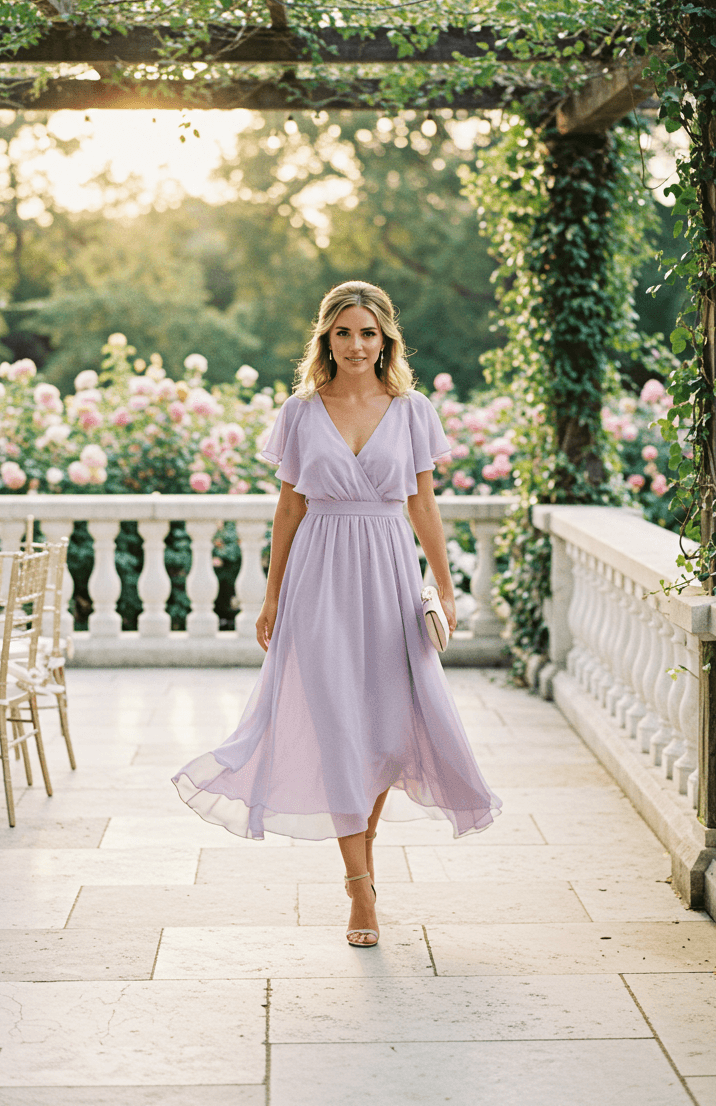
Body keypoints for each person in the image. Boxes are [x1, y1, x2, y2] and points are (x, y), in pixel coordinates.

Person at [173, 281, 501, 947]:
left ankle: (362, 857)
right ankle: (360, 892)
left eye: (369, 334)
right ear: (326, 338)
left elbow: (423, 507)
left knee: (382, 730)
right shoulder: (300, 412)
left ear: (386, 341)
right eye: (344, 333)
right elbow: (289, 509)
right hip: (318, 577)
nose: (357, 345)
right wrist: (270, 597)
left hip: (387, 573)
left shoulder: (412, 412)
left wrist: (444, 585)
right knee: (335, 727)